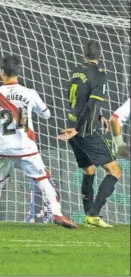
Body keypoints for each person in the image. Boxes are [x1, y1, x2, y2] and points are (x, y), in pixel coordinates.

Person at [0, 55, 78, 230]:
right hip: (26, 147)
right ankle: (57, 213)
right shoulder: (30, 93)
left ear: (2, 73)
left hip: (3, 149)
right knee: (43, 179)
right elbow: (46, 115)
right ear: (17, 73)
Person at [58, 40, 122, 228]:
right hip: (84, 130)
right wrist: (81, 127)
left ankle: (88, 214)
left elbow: (79, 100)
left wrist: (97, 117)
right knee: (115, 171)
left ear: (83, 56)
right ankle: (94, 214)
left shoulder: (76, 72)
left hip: (71, 126)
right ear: (99, 56)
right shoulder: (99, 75)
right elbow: (92, 104)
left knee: (89, 169)